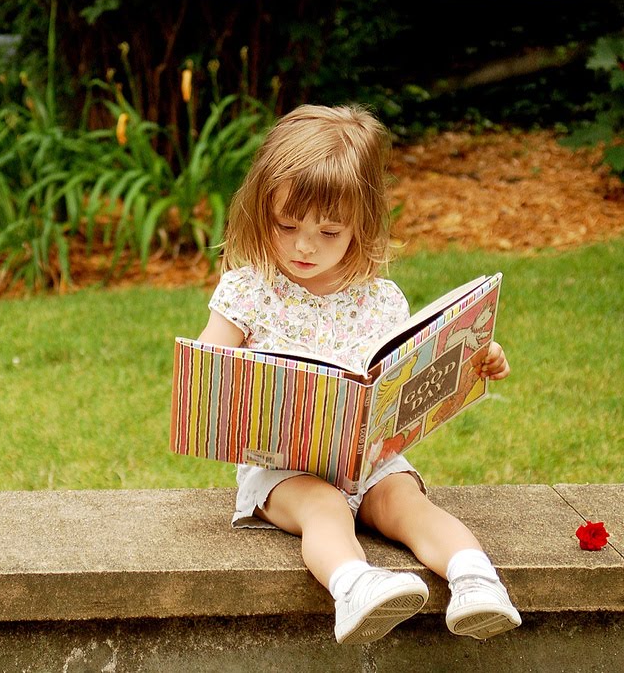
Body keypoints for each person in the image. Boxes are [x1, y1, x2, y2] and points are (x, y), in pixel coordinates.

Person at [195, 104, 522, 645]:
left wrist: (476, 358)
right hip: (283, 467)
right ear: (260, 211)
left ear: (360, 226)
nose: (305, 245)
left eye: (329, 231)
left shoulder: (381, 300)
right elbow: (209, 374)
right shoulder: (246, 290)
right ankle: (354, 586)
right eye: (287, 225)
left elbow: (407, 372)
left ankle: (476, 580)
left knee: (408, 503)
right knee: (324, 507)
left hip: (368, 458)